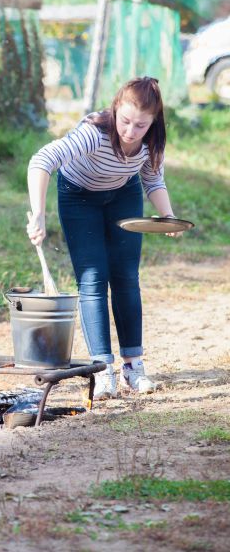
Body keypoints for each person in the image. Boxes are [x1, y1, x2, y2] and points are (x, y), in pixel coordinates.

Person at [27, 77, 180, 399]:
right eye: (125, 121)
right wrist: (39, 213)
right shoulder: (94, 134)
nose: (130, 131)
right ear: (115, 111)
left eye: (140, 125)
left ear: (153, 122)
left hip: (123, 194)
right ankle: (103, 370)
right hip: (78, 197)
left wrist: (167, 217)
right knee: (93, 277)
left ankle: (133, 367)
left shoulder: (152, 142)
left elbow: (152, 180)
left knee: (126, 276)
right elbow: (42, 160)